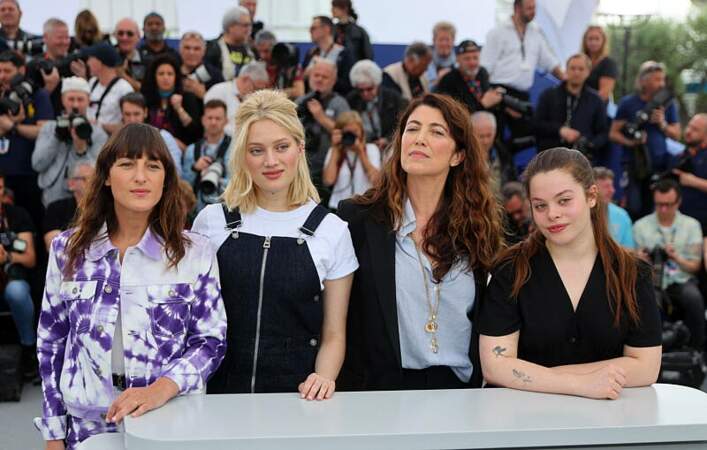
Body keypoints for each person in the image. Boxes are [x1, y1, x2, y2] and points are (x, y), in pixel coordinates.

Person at [35, 123, 227, 450]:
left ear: (165, 178)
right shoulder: (68, 250)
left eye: (152, 166)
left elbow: (210, 341)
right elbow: (51, 342)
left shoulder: (195, 252)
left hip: (170, 422)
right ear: (107, 176)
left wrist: (161, 389)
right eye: (127, 164)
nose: (141, 176)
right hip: (87, 429)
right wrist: (54, 433)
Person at [192, 89, 357, 398]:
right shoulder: (210, 221)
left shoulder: (331, 231)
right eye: (256, 150)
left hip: (296, 401)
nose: (271, 161)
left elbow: (334, 334)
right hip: (216, 399)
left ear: (300, 148)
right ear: (242, 155)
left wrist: (322, 379)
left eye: (281, 147)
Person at [337, 93, 504, 390]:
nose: (419, 139)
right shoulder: (358, 220)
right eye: (412, 129)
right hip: (382, 396)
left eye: (436, 132)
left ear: (458, 155)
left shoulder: (478, 229)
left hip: (460, 395)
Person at [478, 147, 662, 400]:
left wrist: (542, 376)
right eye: (540, 205)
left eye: (564, 200)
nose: (552, 214)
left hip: (610, 424)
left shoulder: (632, 273)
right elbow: (495, 366)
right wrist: (580, 384)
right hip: (523, 423)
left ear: (592, 196)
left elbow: (646, 366)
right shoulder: (510, 270)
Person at [480, 0, 563, 149]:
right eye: (529, 8)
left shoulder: (536, 32)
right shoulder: (497, 32)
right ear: (517, 8)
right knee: (494, 137)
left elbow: (548, 61)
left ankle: (507, 162)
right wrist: (495, 98)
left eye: (534, 8)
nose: (533, 11)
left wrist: (565, 78)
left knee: (527, 136)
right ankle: (500, 166)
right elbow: (485, 67)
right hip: (499, 92)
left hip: (522, 94)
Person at [633, 178, 704, 350]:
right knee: (639, 301)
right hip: (649, 278)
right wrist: (639, 259)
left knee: (694, 299)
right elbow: (632, 262)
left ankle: (696, 351)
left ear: (678, 202)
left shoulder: (691, 225)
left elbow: (694, 267)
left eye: (669, 204)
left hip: (679, 279)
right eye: (659, 204)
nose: (663, 209)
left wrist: (676, 257)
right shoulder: (641, 226)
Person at [610, 61, 681, 219]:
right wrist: (631, 143)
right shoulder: (628, 103)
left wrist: (662, 124)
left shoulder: (668, 104)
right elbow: (613, 133)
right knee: (633, 207)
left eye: (662, 79)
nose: (661, 84)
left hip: (659, 166)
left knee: (653, 209)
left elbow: (676, 134)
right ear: (643, 80)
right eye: (657, 79)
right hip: (633, 164)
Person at [33, 76, 107, 208]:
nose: (75, 105)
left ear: (88, 101)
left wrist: (81, 149)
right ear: (62, 100)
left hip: (85, 199)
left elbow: (98, 172)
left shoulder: (97, 133)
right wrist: (57, 137)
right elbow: (38, 164)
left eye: (80, 99)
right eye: (71, 99)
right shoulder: (49, 128)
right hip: (52, 197)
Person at [0, 50, 53, 228]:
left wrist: (14, 127)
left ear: (21, 70)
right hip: (3, 176)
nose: (2, 76)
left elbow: (45, 131)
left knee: (30, 224)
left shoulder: (38, 95)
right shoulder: (2, 94)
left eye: (7, 71)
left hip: (28, 174)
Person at [0, 169, 37, 378]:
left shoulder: (16, 215)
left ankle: (28, 347)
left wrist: (7, 257)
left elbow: (30, 258)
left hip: (11, 276)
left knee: (17, 292)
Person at [533, 54, 608, 158]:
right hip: (549, 157)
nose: (576, 72)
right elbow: (536, 124)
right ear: (566, 70)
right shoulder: (548, 95)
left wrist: (589, 144)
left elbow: (603, 133)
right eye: (572, 68)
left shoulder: (596, 100)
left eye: (581, 69)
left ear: (588, 72)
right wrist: (560, 130)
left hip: (581, 159)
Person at [295, 57, 350, 199]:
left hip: (328, 170)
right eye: (316, 75)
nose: (319, 79)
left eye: (324, 77)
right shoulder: (301, 101)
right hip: (301, 166)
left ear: (333, 81)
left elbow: (348, 135)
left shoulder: (340, 103)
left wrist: (321, 117)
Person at [141, 54, 203, 149]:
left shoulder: (187, 98)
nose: (165, 78)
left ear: (176, 77)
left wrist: (179, 109)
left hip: (182, 150)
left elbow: (195, 132)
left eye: (170, 74)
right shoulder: (146, 99)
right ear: (154, 77)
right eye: (161, 74)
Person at [322, 111, 380, 210]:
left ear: (362, 131)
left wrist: (361, 152)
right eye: (347, 132)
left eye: (355, 131)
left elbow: (377, 182)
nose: (351, 136)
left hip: (365, 207)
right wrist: (336, 148)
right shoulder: (334, 151)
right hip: (339, 208)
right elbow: (328, 181)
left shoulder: (371, 149)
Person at [182, 99, 232, 210]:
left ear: (226, 121)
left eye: (218, 118)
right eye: (210, 118)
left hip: (228, 209)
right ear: (203, 120)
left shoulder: (235, 149)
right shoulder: (192, 150)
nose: (213, 122)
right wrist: (195, 168)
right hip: (197, 212)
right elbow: (183, 187)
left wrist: (216, 179)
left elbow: (241, 184)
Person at [346, 59, 405, 152]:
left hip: (390, 147)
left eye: (369, 89)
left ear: (377, 84)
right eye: (361, 90)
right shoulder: (351, 100)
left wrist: (388, 140)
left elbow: (402, 124)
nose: (365, 93)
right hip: (361, 147)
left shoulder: (393, 98)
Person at [119, 92, 182, 177]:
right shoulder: (117, 140)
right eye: (127, 114)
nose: (132, 119)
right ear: (122, 115)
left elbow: (176, 172)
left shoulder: (164, 137)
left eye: (136, 114)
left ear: (145, 112)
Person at [434, 39, 503, 114]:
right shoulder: (448, 80)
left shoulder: (482, 72)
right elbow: (452, 114)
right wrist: (483, 104)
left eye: (475, 58)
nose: (472, 63)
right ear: (458, 60)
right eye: (467, 59)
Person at [204, 60, 269, 136]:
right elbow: (213, 124)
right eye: (257, 88)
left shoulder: (250, 99)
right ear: (245, 79)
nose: (257, 93)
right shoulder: (218, 91)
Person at [83, 42, 135, 135]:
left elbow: (130, 125)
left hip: (111, 142)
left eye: (90, 58)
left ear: (99, 62)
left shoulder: (124, 89)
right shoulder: (92, 82)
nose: (88, 63)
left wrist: (100, 126)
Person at [43, 162, 94, 250]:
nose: (93, 183)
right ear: (71, 184)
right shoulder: (56, 208)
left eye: (95, 179)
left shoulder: (107, 208)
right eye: (86, 179)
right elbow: (53, 244)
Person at [673, 113, 707, 237]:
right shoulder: (680, 156)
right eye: (689, 126)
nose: (688, 131)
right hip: (681, 227)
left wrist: (693, 181)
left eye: (695, 129)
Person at [302, 15, 354, 96]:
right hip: (310, 98)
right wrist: (306, 74)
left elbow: (347, 84)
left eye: (313, 28)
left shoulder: (343, 54)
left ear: (326, 29)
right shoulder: (311, 53)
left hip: (333, 100)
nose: (310, 31)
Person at [471, 111, 516, 194]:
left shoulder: (503, 154)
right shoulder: (462, 158)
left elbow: (512, 179)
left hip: (502, 204)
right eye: (481, 136)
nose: (485, 141)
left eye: (489, 135)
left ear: (494, 132)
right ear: (471, 134)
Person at [205, 6, 255, 81]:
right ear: (230, 26)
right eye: (245, 25)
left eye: (250, 25)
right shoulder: (212, 49)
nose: (249, 29)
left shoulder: (251, 49)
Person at [254, 29, 304, 99]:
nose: (262, 56)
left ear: (275, 48)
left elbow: (299, 91)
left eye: (266, 51)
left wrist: (270, 93)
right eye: (259, 51)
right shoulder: (255, 67)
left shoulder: (290, 66)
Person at [593, 166, 635, 249]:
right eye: (606, 186)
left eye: (612, 186)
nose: (612, 190)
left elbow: (629, 250)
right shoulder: (580, 213)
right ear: (593, 189)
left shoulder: (622, 215)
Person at [179, 31, 223, 99]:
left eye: (196, 49)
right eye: (187, 48)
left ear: (204, 51)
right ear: (180, 49)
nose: (191, 53)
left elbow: (222, 103)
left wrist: (204, 95)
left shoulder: (214, 75)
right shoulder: (171, 69)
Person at [582, 25, 617, 103]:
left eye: (597, 39)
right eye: (590, 39)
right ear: (585, 40)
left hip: (596, 108)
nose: (593, 42)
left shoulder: (608, 64)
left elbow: (603, 94)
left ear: (603, 41)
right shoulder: (580, 61)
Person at [113, 18, 144, 91]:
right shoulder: (106, 59)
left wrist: (123, 75)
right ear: (115, 36)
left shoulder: (147, 60)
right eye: (120, 33)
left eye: (130, 34)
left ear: (138, 37)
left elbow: (145, 91)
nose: (124, 38)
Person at [426, 21, 456, 90]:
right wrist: (437, 81)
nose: (444, 44)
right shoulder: (424, 64)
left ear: (453, 41)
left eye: (447, 40)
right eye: (441, 40)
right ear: (433, 41)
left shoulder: (460, 64)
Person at [501, 181, 531, 245]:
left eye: (519, 211)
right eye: (511, 214)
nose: (516, 217)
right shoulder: (507, 226)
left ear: (528, 201)